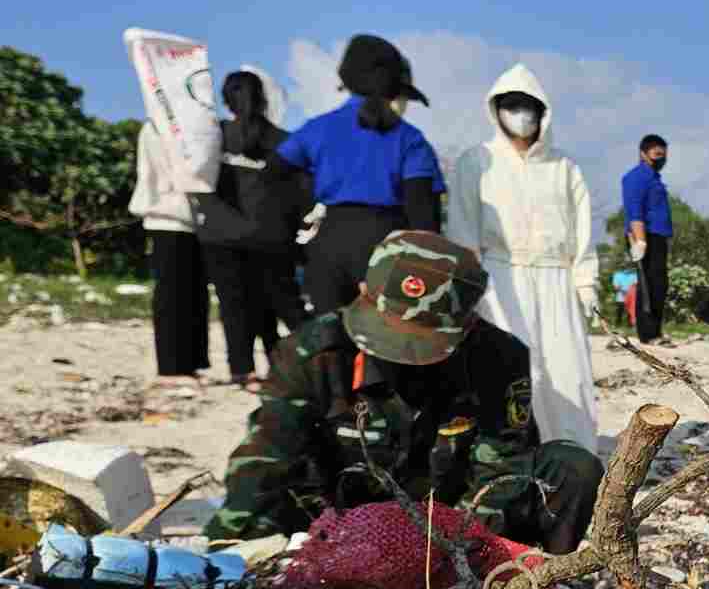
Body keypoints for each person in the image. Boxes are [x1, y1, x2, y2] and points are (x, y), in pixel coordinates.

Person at [203, 231, 601, 554]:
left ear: (466, 327)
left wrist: (453, 554)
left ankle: (535, 583)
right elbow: (267, 456)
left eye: (420, 344)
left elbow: (500, 472)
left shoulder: (499, 357)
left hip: (449, 517)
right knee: (266, 504)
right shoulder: (313, 353)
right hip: (336, 519)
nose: (404, 357)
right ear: (362, 292)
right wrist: (227, 551)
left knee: (570, 468)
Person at [447, 63, 601, 452]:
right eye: (511, 105)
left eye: (529, 105)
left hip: (556, 279)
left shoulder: (565, 167)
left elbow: (582, 234)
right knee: (508, 370)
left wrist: (586, 284)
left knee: (567, 373)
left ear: (543, 111)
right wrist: (466, 288)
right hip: (498, 277)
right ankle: (508, 456)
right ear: (496, 110)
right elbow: (462, 231)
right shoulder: (476, 161)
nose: (521, 114)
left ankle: (571, 453)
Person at [276, 35, 443, 318]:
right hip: (386, 247)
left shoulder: (317, 129)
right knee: (386, 348)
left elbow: (272, 179)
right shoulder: (410, 139)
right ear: (394, 91)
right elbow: (423, 214)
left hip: (327, 245)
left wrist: (302, 230)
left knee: (330, 346)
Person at [197, 67, 309, 390]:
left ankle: (242, 371)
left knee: (234, 305)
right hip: (272, 237)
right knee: (283, 305)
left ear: (226, 101)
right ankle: (301, 366)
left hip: (220, 236)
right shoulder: (284, 142)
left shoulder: (214, 137)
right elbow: (301, 193)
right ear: (263, 99)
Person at [130, 121, 207, 386]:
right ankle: (172, 368)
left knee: (194, 295)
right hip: (166, 216)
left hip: (194, 220)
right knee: (171, 295)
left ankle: (191, 362)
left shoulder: (196, 124)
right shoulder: (155, 127)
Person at [622, 135, 673, 346]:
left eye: (663, 154)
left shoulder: (654, 177)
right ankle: (648, 334)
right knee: (648, 285)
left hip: (658, 237)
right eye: (656, 154)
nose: (661, 158)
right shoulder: (636, 177)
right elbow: (634, 211)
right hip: (645, 236)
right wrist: (639, 241)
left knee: (659, 284)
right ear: (644, 153)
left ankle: (656, 331)